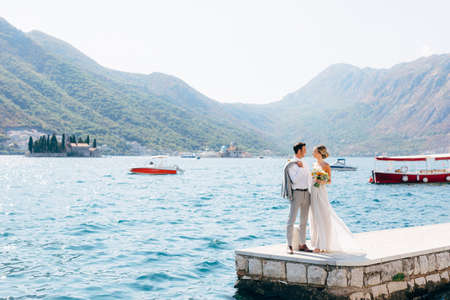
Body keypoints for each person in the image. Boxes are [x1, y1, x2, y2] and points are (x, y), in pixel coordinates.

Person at [309, 145, 363, 253]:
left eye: (314, 151)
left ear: (320, 153)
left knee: (323, 215)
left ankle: (322, 244)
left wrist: (321, 180)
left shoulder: (326, 165)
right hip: (313, 191)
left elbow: (329, 181)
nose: (313, 153)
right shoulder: (314, 164)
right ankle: (316, 242)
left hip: (321, 192)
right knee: (314, 216)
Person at [282, 142, 313, 254]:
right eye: (304, 149)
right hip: (297, 193)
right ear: (299, 150)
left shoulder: (305, 162)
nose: (306, 151)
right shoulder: (291, 164)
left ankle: (302, 244)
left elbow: (309, 177)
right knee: (292, 219)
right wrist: (300, 168)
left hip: (306, 193)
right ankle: (289, 245)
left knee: (304, 221)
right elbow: (294, 180)